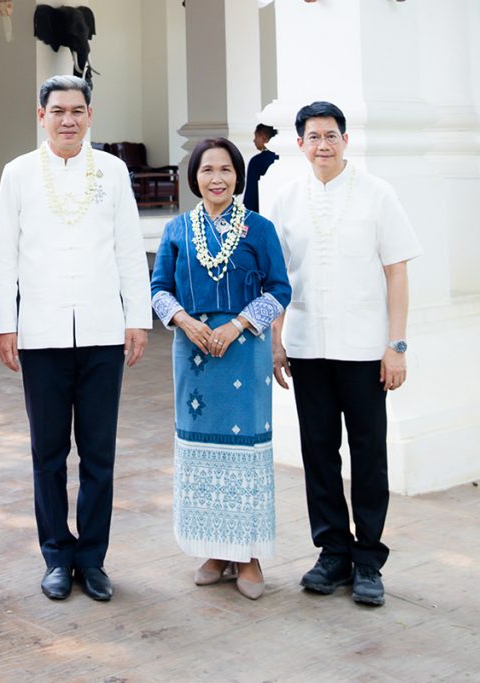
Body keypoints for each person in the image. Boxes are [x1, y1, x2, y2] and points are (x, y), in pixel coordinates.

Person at [0, 75, 151, 602]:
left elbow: (128, 247)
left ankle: (93, 559)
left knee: (99, 454)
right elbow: (6, 254)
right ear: (41, 116)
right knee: (49, 454)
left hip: (103, 330)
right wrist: (5, 323)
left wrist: (137, 317)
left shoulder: (112, 170)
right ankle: (57, 557)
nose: (67, 120)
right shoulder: (18, 173)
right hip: (42, 332)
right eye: (57, 110)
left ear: (90, 115)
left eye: (77, 111)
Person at [266, 101, 422, 607]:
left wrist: (396, 346)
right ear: (300, 144)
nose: (323, 145)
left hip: (364, 348)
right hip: (308, 347)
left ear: (345, 140)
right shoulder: (286, 200)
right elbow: (278, 279)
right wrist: (276, 341)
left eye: (331, 135)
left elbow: (396, 272)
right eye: (313, 137)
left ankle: (368, 559)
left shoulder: (378, 194)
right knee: (318, 453)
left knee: (369, 455)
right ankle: (332, 552)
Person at [150, 137, 291, 600]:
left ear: (238, 176)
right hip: (192, 353)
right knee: (200, 447)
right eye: (207, 170)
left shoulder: (259, 229)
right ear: (195, 177)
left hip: (244, 350)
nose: (217, 178)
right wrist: (185, 321)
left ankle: (248, 555)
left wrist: (237, 325)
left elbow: (280, 290)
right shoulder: (175, 230)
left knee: (245, 447)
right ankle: (214, 550)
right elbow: (158, 289)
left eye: (226, 170)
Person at [242, 124, 278, 213]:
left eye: (256, 136)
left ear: (264, 138)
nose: (254, 140)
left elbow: (251, 191)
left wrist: (246, 212)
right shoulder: (282, 157)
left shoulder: (257, 161)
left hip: (261, 209)